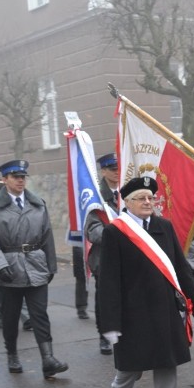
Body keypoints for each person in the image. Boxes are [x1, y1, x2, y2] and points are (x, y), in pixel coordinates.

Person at [98, 176, 194, 388]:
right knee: (132, 367)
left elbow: (181, 268)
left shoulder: (164, 227)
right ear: (127, 202)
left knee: (167, 363)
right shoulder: (115, 231)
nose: (148, 202)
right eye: (141, 198)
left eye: (150, 198)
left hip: (165, 310)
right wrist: (111, 323)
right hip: (132, 312)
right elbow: (109, 281)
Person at [0, 159, 67, 379]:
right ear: (5, 179)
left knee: (39, 314)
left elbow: (47, 236)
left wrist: (51, 266)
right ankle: (12, 354)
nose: (20, 181)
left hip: (36, 265)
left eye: (23, 177)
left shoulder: (38, 204)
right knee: (11, 316)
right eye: (15, 177)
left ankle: (48, 359)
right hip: (9, 267)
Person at [83, 152, 119, 354]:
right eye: (112, 169)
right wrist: (116, 234)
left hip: (128, 257)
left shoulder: (128, 192)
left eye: (118, 168)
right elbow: (92, 231)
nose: (116, 172)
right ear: (103, 171)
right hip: (104, 257)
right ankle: (104, 335)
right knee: (105, 299)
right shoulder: (95, 197)